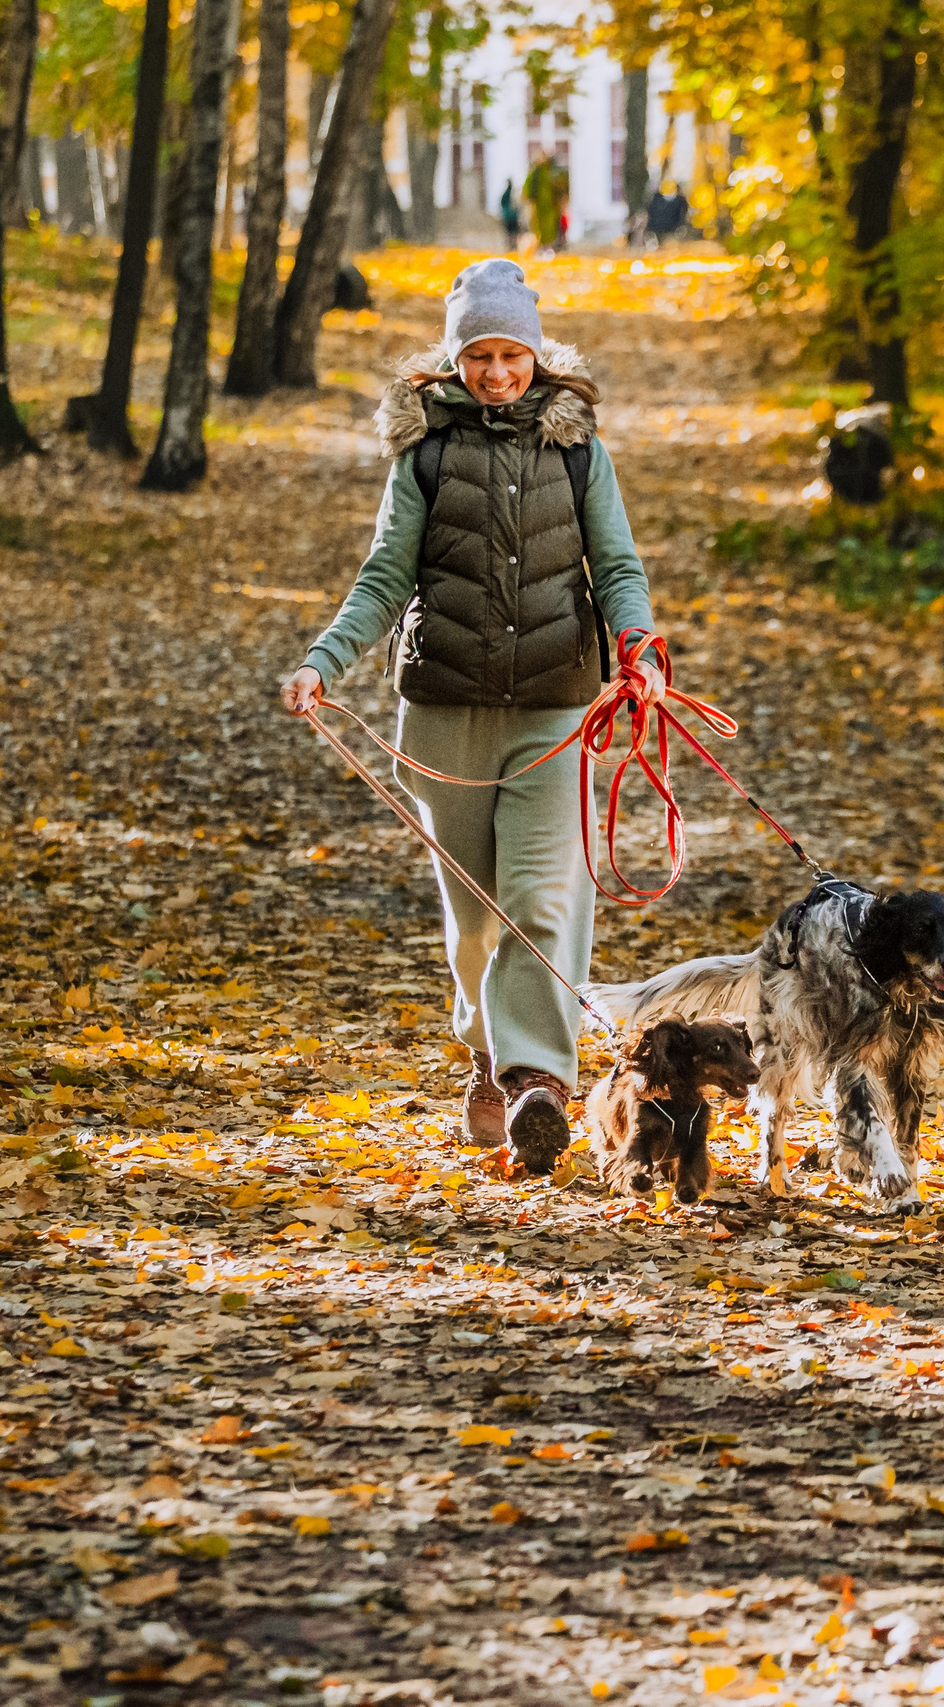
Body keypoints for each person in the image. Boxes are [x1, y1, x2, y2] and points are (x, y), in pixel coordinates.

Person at [280, 259, 664, 1174]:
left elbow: (616, 567)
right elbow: (383, 578)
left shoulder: (577, 450)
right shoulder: (425, 454)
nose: (497, 373)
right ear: (455, 360)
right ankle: (487, 1053)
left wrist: (639, 646)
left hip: (554, 707)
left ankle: (536, 1083)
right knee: (477, 923)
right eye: (480, 356)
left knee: (540, 899)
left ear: (536, 352)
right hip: (445, 713)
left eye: (511, 354)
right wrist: (322, 661)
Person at [498, 178, 521, 248]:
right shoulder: (513, 193)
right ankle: (512, 245)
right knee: (513, 232)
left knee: (510, 232)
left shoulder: (507, 193)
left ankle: (511, 245)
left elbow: (502, 203)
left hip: (509, 216)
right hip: (512, 216)